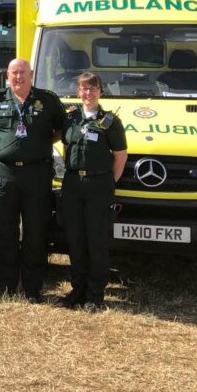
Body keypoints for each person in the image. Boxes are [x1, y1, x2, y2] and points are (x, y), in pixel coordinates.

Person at [0, 58, 67, 303]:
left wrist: (40, 144)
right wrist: (0, 154)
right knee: (5, 230)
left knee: (35, 231)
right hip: (6, 174)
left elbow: (61, 129)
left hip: (37, 174)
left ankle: (32, 288)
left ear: (32, 74)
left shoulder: (47, 100)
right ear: (8, 74)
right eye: (14, 73)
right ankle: (4, 285)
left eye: (23, 72)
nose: (18, 77)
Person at [59, 72, 127, 311]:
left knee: (96, 241)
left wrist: (109, 182)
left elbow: (120, 155)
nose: (88, 93)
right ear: (78, 92)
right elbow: (66, 146)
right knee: (76, 240)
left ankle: (94, 296)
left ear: (100, 91)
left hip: (98, 187)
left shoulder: (109, 121)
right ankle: (76, 292)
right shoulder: (70, 118)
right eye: (84, 89)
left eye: (93, 88)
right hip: (73, 185)